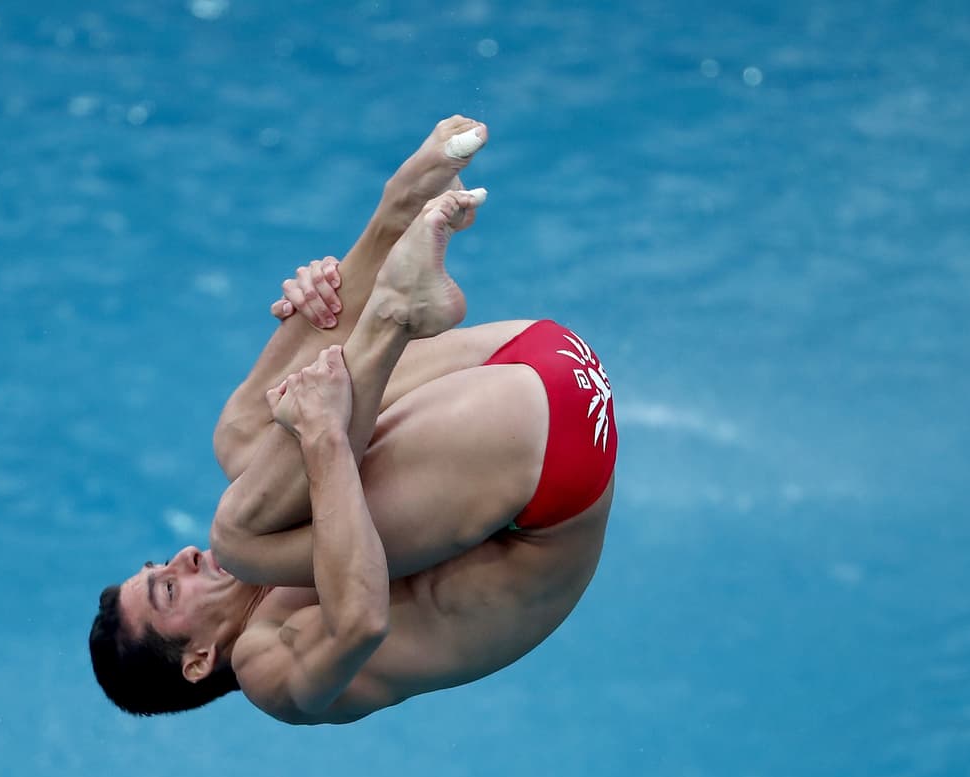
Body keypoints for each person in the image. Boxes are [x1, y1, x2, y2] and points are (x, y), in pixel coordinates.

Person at [88, 117, 617, 724]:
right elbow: (361, 622)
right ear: (198, 659)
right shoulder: (268, 670)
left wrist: (312, 313)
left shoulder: (277, 546)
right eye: (168, 590)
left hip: (539, 369)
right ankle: (392, 312)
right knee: (239, 535)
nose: (182, 556)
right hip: (553, 463)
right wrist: (321, 433)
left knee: (238, 440)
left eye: (161, 563)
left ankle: (398, 217)